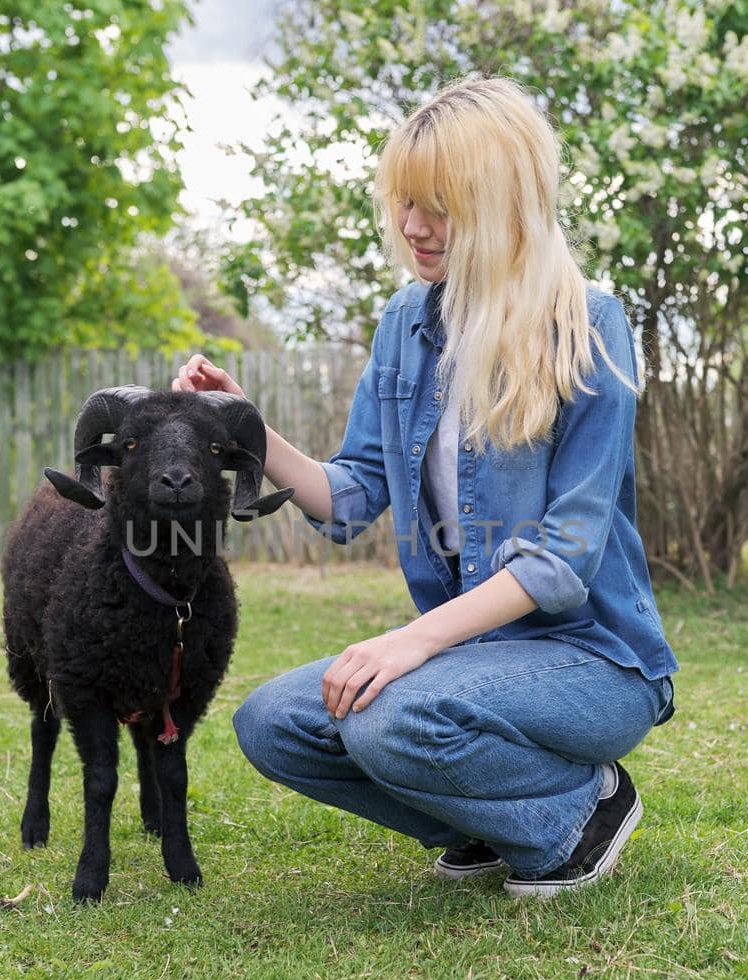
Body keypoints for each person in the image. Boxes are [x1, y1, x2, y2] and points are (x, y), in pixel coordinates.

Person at [171, 75, 678, 897]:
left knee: (390, 713)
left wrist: (412, 641)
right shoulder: (406, 323)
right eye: (405, 202)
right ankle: (486, 819)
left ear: (502, 202)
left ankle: (581, 812)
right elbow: (352, 492)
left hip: (595, 663)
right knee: (275, 723)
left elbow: (563, 562)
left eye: (439, 204)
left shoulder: (587, 324)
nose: (413, 226)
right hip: (473, 660)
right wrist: (246, 430)